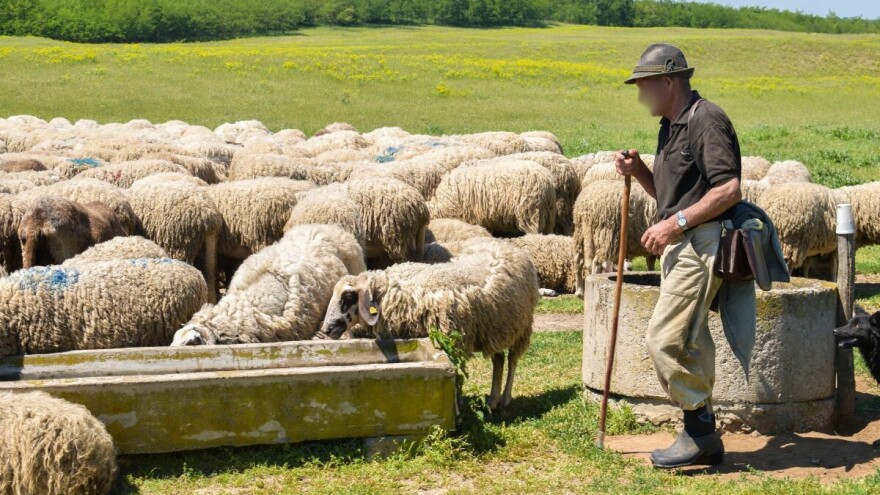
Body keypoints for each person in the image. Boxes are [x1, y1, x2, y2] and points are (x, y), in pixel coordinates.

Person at [615, 43, 742, 469]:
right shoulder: (670, 126)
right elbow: (672, 197)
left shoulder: (706, 119)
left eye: (644, 85)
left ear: (668, 81)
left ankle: (700, 429)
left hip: (703, 241)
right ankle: (703, 437)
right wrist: (640, 172)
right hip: (684, 242)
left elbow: (729, 190)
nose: (639, 94)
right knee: (692, 340)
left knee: (664, 339)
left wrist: (675, 225)